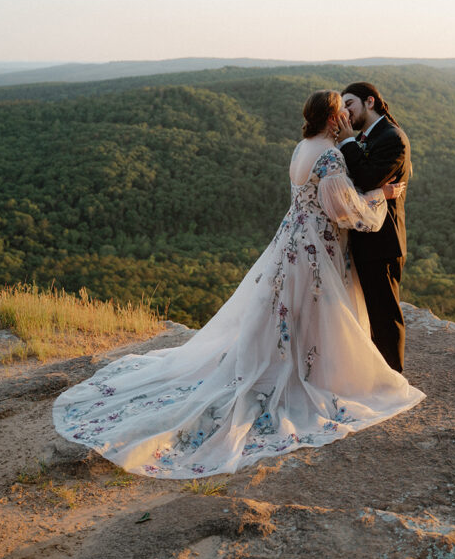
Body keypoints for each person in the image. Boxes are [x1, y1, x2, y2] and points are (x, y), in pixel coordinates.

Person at [52, 90, 425, 479]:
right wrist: (379, 195)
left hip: (292, 240)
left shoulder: (302, 148)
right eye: (341, 114)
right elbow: (343, 209)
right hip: (317, 245)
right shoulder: (330, 155)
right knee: (316, 310)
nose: (346, 119)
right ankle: (315, 376)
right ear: (333, 120)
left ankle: (296, 368)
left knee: (289, 312)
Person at [336, 82, 411, 373]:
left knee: (384, 316)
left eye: (350, 104)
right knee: (368, 313)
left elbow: (366, 178)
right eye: (342, 107)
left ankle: (393, 376)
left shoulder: (393, 138)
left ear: (370, 102)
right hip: (365, 240)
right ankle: (375, 373)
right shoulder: (369, 137)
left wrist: (346, 143)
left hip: (382, 244)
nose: (345, 112)